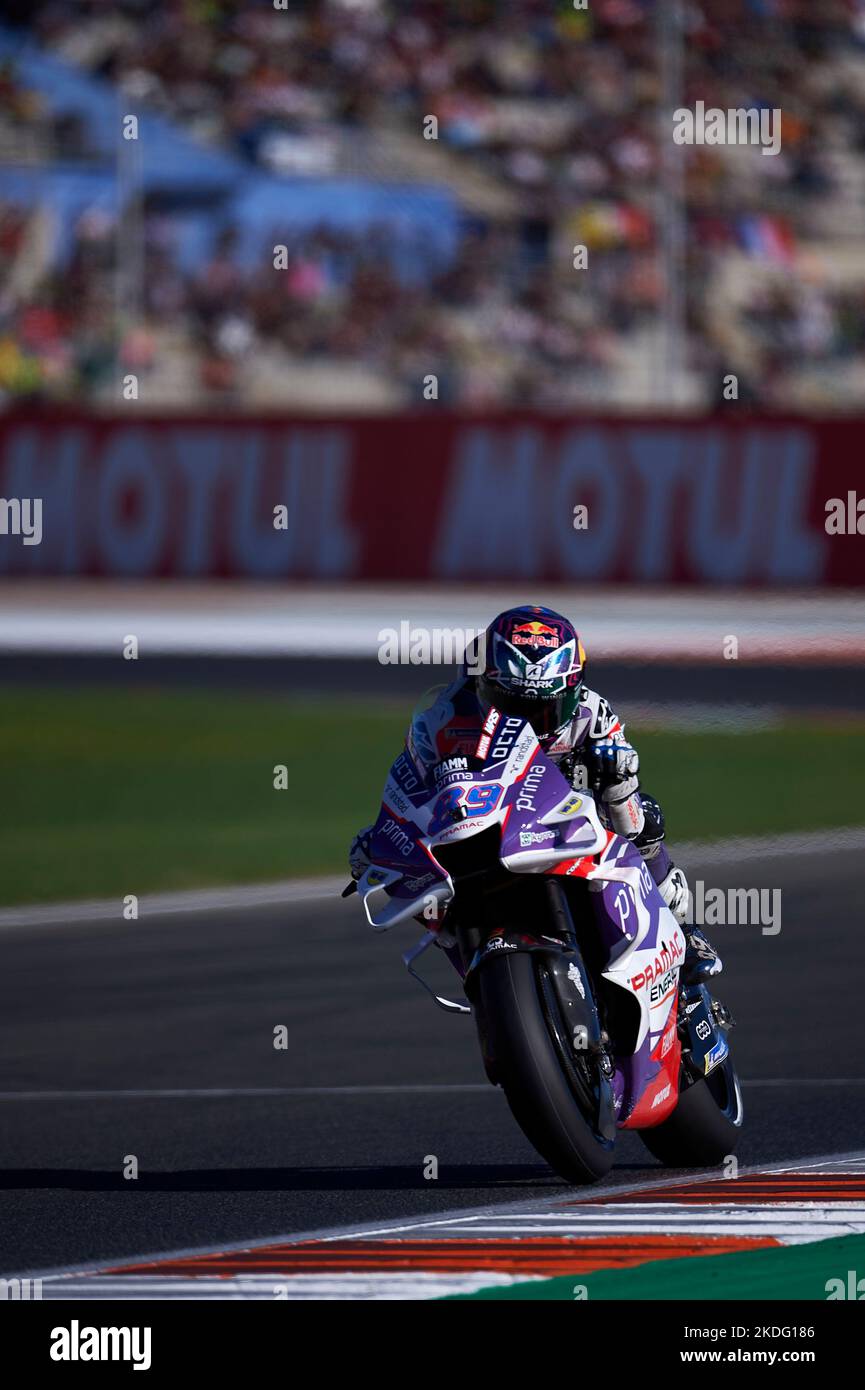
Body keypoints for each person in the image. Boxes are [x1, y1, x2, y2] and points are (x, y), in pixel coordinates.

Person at [350, 605, 720, 984]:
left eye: (544, 709)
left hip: (567, 821)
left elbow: (624, 774)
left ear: (573, 690)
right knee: (423, 879)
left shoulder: (593, 714)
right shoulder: (446, 717)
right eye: (513, 705)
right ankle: (473, 964)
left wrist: (616, 771)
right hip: (487, 822)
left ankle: (685, 932)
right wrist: (385, 838)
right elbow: (414, 781)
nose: (528, 721)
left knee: (644, 815)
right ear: (483, 684)